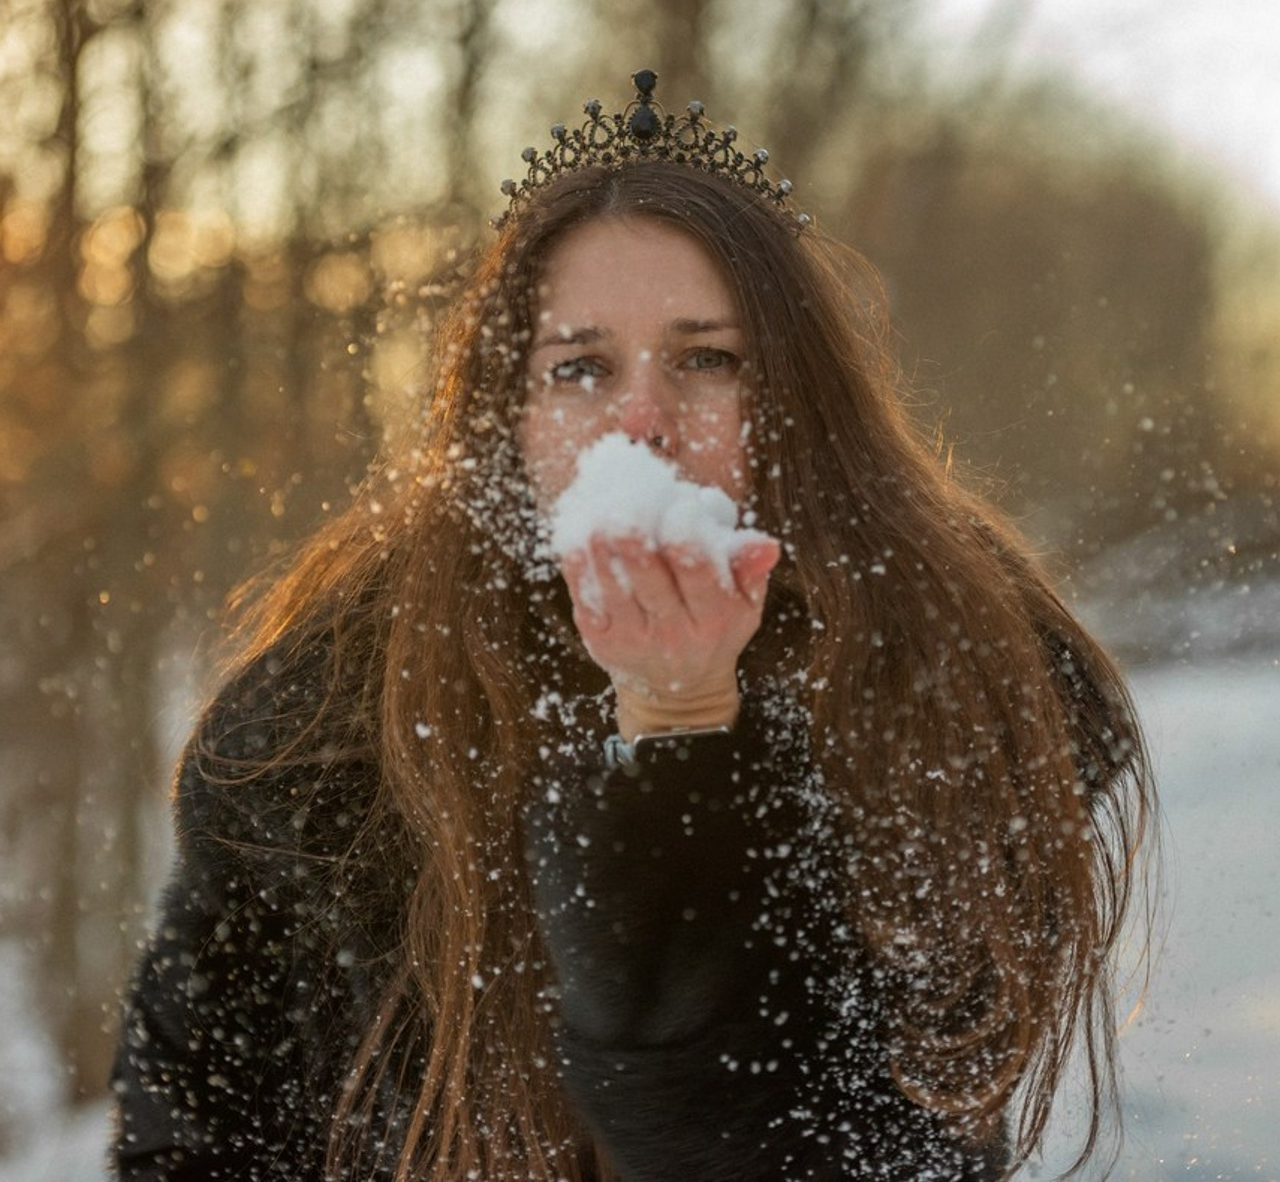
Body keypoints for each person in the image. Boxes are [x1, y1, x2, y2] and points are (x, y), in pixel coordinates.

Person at [110, 70, 1155, 1181]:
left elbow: (844, 1155)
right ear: (504, 420)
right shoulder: (318, 733)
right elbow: (199, 1132)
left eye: (708, 360)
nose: (642, 422)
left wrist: (681, 727)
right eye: (579, 369)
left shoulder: (935, 684)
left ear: (795, 402)